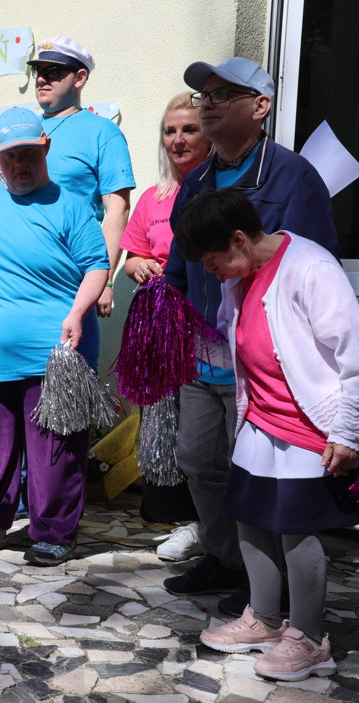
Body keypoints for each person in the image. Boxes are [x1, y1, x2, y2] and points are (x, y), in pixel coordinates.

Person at [163, 57, 338, 616]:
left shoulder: (292, 177)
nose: (206, 103)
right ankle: (225, 556)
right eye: (203, 94)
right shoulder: (197, 181)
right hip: (203, 350)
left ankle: (272, 579)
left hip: (266, 359)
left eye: (223, 94)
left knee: (262, 473)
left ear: (260, 107)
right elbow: (180, 260)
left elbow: (311, 269)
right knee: (198, 459)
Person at [176, 189, 358, 683]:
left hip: (308, 424)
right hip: (260, 418)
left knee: (296, 528)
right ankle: (265, 620)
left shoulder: (310, 268)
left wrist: (349, 430)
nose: (212, 274)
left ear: (238, 239)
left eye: (214, 263)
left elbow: (354, 355)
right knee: (250, 518)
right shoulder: (243, 275)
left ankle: (308, 639)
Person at [0, 107, 109, 563]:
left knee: (54, 452)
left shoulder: (71, 205)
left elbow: (97, 266)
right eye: (9, 158)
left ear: (44, 147)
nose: (18, 166)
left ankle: (54, 533)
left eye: (27, 154)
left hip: (55, 353)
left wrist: (79, 313)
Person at [119, 92, 212, 561]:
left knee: (201, 427)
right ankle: (183, 520)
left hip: (201, 324)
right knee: (165, 424)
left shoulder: (216, 189)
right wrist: (136, 265)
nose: (177, 139)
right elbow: (132, 252)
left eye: (189, 129)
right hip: (159, 324)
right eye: (170, 130)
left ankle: (208, 523)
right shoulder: (154, 199)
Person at [27, 36, 135, 317]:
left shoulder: (103, 132)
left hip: (70, 276)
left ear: (80, 77)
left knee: (69, 357)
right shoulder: (24, 131)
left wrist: (106, 278)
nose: (41, 79)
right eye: (38, 71)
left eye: (53, 72)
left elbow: (117, 210)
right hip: (20, 273)